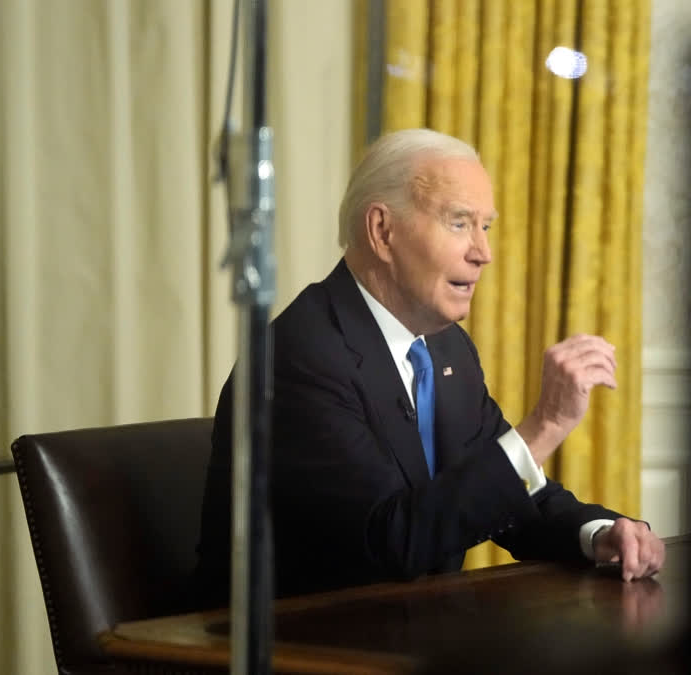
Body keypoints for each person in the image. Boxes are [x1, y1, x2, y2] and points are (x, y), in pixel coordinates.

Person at [194, 128, 664, 604]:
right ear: (382, 231)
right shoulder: (298, 359)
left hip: (411, 633)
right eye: (459, 223)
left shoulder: (446, 349)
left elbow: (509, 493)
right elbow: (395, 543)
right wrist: (547, 423)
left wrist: (598, 534)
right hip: (302, 647)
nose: (483, 252)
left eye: (486, 227)